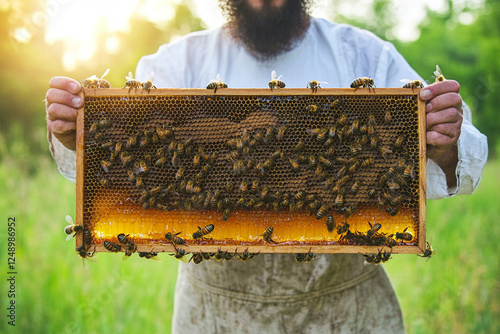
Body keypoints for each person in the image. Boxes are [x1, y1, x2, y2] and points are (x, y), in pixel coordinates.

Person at [45, 0, 488, 332]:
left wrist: (443, 140)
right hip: (214, 313)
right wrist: (75, 134)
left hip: (346, 309)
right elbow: (119, 163)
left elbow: (454, 158)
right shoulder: (177, 62)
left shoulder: (364, 54)